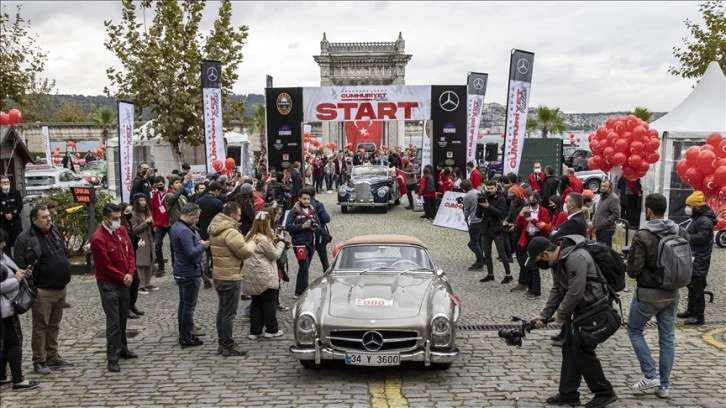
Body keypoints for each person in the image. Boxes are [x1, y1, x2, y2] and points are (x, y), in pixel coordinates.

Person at [528, 235, 618, 408]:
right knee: (569, 348)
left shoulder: (575, 258)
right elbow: (557, 289)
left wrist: (560, 316)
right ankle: (568, 393)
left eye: (538, 260)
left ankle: (605, 392)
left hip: (595, 308)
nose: (539, 264)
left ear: (546, 254)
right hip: (581, 311)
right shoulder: (558, 262)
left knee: (582, 350)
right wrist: (544, 315)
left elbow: (575, 292)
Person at [626, 193, 689, 399]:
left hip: (648, 294)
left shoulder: (643, 235)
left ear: (649, 210)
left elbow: (634, 270)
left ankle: (650, 374)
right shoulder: (680, 230)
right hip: (673, 292)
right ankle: (664, 386)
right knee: (667, 338)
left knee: (635, 329)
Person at [13, 205, 73, 375]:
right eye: (44, 217)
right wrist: (31, 285)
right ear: (34, 220)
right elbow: (19, 264)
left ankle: (52, 355)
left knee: (54, 325)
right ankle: (39, 360)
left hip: (60, 287)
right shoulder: (25, 238)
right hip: (42, 290)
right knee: (41, 327)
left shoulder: (54, 232)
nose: (49, 219)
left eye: (49, 216)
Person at [91, 203, 138, 372]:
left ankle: (123, 348)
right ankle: (112, 356)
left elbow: (130, 253)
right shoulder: (98, 238)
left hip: (125, 280)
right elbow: (104, 265)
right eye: (115, 219)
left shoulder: (121, 231)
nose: (119, 221)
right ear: (106, 218)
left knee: (123, 318)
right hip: (109, 284)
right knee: (113, 322)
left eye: (120, 218)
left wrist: (130, 273)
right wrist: (122, 276)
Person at [208, 202, 257, 357]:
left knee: (222, 311)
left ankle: (222, 342)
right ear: (232, 215)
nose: (240, 217)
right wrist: (253, 242)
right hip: (230, 276)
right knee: (229, 313)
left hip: (219, 274)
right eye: (239, 215)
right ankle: (228, 344)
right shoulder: (230, 232)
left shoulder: (216, 228)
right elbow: (245, 252)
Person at [1, 229, 40, 390]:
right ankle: (18, 379)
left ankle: (2, 375)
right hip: (5, 309)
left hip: (7, 306)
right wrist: (16, 280)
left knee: (5, 342)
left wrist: (23, 274)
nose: (3, 244)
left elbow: (12, 273)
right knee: (15, 341)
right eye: (1, 241)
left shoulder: (2, 256)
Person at [170, 203, 210, 348]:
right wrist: (202, 246)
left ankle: (184, 334)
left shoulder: (176, 226)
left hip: (182, 270)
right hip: (188, 272)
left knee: (184, 305)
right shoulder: (184, 231)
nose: (198, 220)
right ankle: (186, 337)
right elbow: (190, 253)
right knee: (188, 307)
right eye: (197, 217)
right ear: (191, 215)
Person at [244, 210, 286, 340]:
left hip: (252, 275)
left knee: (256, 303)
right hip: (265, 275)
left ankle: (255, 331)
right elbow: (275, 255)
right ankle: (271, 329)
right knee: (269, 303)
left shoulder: (249, 236)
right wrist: (281, 243)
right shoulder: (264, 239)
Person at [680, 191, 717, 325]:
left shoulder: (705, 221)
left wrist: (686, 237)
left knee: (697, 289)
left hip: (700, 258)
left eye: (690, 206)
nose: (687, 208)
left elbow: (701, 238)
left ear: (697, 207)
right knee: (691, 285)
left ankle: (698, 316)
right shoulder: (698, 217)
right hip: (693, 257)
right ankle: (690, 310)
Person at [513, 192, 550, 299]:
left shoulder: (543, 211)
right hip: (527, 237)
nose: (531, 201)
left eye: (533, 199)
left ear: (538, 200)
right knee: (527, 264)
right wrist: (521, 215)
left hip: (537, 237)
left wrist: (532, 220)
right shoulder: (526, 209)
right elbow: (519, 224)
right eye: (530, 199)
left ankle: (536, 290)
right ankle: (529, 287)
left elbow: (544, 225)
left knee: (534, 265)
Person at [476, 181, 513, 284]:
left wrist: (488, 206)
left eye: (492, 188)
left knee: (502, 253)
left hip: (497, 229)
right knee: (487, 254)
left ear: (496, 188)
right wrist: (480, 205)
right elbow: (478, 215)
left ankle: (508, 275)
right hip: (486, 229)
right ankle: (490, 274)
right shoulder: (483, 198)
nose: (490, 190)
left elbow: (500, 214)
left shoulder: (501, 199)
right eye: (488, 188)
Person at [285, 189, 318, 298]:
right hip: (299, 243)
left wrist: (314, 225)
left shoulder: (312, 209)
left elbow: (317, 223)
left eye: (308, 199)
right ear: (299, 198)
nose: (306, 201)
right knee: (303, 267)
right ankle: (305, 292)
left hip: (311, 242)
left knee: (305, 268)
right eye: (304, 199)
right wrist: (302, 226)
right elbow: (288, 227)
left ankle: (298, 291)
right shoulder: (294, 211)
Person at [195, 182, 224, 289]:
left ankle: (205, 273)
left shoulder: (198, 201)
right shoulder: (218, 202)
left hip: (202, 230)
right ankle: (215, 273)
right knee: (215, 255)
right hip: (215, 232)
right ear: (216, 190)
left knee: (203, 255)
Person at [118, 203, 143, 319]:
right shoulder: (120, 226)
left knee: (135, 282)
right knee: (129, 284)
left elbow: (132, 237)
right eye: (127, 212)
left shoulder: (128, 223)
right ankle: (127, 307)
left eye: (131, 211)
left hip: (131, 257)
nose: (130, 214)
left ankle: (132, 304)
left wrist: (137, 242)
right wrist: (136, 244)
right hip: (124, 259)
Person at [129, 193, 157, 296]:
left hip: (149, 239)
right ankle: (141, 285)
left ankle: (148, 283)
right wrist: (146, 222)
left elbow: (153, 225)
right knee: (141, 263)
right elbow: (135, 229)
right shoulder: (133, 214)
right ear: (136, 202)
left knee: (149, 261)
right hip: (140, 240)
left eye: (144, 200)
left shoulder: (147, 212)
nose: (143, 202)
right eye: (141, 200)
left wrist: (152, 222)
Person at [461, 180, 483, 270]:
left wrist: (465, 218)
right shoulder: (478, 192)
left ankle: (480, 262)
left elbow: (466, 210)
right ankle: (480, 259)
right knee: (479, 242)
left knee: (474, 243)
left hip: (475, 221)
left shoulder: (467, 196)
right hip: (482, 220)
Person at [151, 176, 170, 277]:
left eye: (161, 185)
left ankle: (176, 266)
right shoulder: (155, 195)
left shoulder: (170, 192)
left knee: (174, 246)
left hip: (170, 222)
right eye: (157, 185)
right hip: (160, 223)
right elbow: (154, 209)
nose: (159, 187)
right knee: (157, 245)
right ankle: (161, 267)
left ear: (164, 183)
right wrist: (154, 222)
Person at [593, 180, 620, 247]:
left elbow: (616, 214)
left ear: (610, 188)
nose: (602, 188)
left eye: (605, 186)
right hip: (599, 229)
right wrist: (594, 224)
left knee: (606, 251)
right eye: (601, 186)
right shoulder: (602, 196)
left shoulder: (613, 198)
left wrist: (604, 223)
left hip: (607, 230)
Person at [0, 176, 23, 256]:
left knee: (18, 242)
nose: (6, 183)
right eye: (4, 182)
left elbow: (19, 205)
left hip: (15, 221)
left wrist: (12, 214)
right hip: (3, 223)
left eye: (7, 182)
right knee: (6, 243)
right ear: (0, 184)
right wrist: (4, 214)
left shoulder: (16, 193)